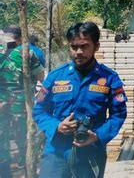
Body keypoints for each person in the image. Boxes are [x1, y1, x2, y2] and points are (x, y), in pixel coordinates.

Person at [33, 22, 127, 178]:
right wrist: (57, 126)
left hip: (90, 155)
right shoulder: (56, 77)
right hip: (56, 153)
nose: (78, 52)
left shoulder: (109, 78)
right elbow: (39, 110)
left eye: (84, 46)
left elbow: (119, 114)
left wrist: (97, 136)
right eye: (74, 47)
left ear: (96, 46)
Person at [0, 26, 44, 178]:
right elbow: (40, 77)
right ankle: (27, 172)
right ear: (19, 38)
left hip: (2, 107)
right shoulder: (26, 52)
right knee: (24, 142)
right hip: (21, 106)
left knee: (2, 144)